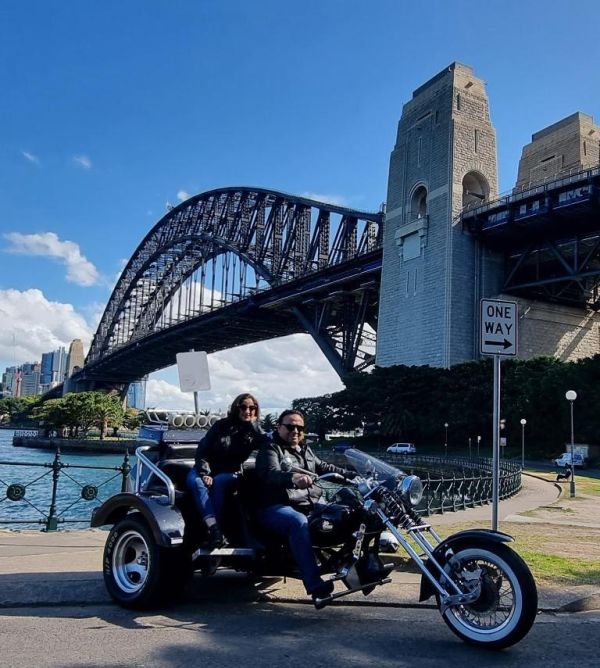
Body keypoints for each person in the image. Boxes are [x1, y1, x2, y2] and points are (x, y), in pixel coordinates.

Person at [255, 409, 355, 606]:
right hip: (276, 506)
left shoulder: (305, 450)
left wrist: (353, 475)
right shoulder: (271, 449)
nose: (295, 431)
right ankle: (315, 586)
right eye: (290, 426)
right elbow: (270, 473)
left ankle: (354, 567)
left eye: (300, 428)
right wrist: (293, 478)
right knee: (297, 522)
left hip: (310, 505)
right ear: (279, 427)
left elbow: (326, 468)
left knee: (349, 511)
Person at [187, 393, 268, 549]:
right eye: (243, 407)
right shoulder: (221, 425)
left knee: (219, 482)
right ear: (236, 408)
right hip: (205, 468)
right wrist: (205, 473)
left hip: (229, 472)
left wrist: (254, 425)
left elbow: (268, 446)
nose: (248, 411)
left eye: (252, 408)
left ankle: (222, 533)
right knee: (196, 483)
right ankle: (214, 529)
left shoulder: (254, 432)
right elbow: (202, 450)